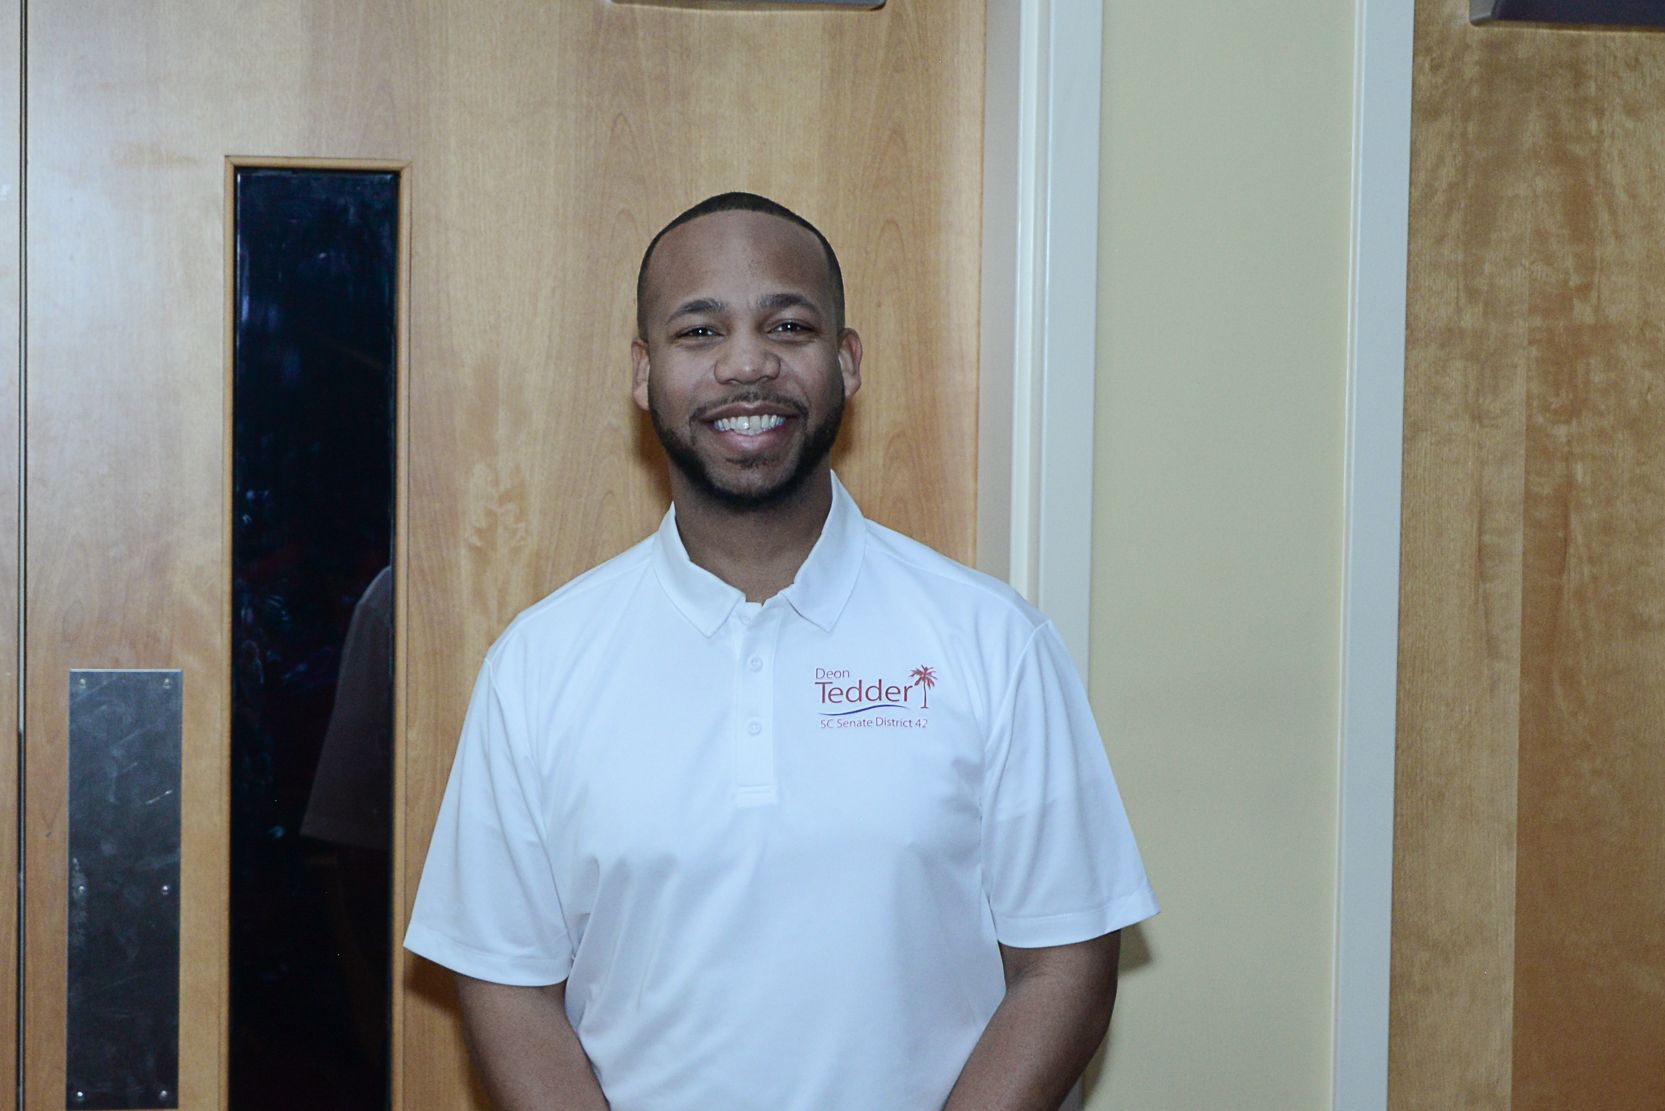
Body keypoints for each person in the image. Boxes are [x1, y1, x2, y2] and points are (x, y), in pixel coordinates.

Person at [405, 192, 1157, 1111]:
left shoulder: (994, 642)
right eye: (699, 331)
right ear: (644, 373)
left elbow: (1065, 959)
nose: (746, 363)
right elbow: (506, 981)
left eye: (788, 325)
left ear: (846, 360)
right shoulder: (538, 666)